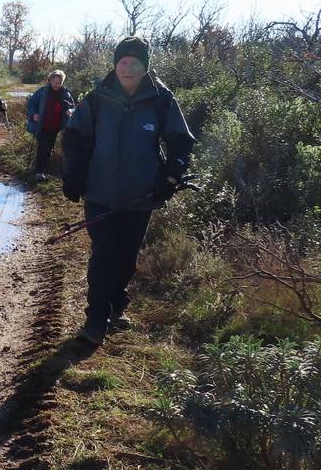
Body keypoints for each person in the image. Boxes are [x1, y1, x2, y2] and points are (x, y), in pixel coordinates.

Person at [62, 36, 196, 346]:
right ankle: (95, 320)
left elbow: (182, 142)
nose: (128, 68)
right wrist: (73, 175)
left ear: (145, 67)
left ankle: (117, 307)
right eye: (123, 62)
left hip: (141, 196)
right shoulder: (97, 98)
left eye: (135, 63)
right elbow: (73, 137)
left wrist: (170, 178)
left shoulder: (162, 99)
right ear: (115, 64)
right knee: (103, 254)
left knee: (126, 256)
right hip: (100, 192)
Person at [25, 69, 75, 181]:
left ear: (62, 82)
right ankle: (39, 172)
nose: (57, 85)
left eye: (59, 82)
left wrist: (71, 111)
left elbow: (72, 106)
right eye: (55, 82)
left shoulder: (65, 93)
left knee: (49, 148)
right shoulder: (42, 92)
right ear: (50, 81)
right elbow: (31, 104)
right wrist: (33, 115)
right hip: (42, 125)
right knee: (43, 147)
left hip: (55, 126)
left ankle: (43, 170)